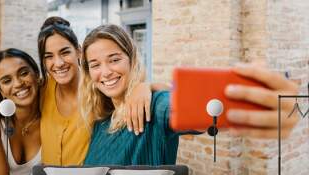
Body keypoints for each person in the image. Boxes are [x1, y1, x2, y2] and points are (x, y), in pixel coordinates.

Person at [79, 24, 299, 165]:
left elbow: (190, 107)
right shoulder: (100, 124)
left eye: (115, 59)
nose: (105, 72)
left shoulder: (154, 107)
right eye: (95, 65)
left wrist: (258, 101)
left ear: (132, 61)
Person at [0, 17, 157, 166]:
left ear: (79, 51)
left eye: (65, 52)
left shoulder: (98, 88)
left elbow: (155, 91)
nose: (59, 63)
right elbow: (9, 95)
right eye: (49, 57)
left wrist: (144, 86)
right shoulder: (42, 88)